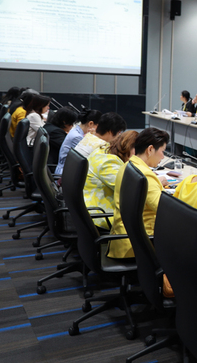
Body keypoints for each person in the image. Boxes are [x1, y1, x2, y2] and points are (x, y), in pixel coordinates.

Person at [108, 128, 171, 259]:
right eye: (162, 151)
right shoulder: (145, 175)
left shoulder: (127, 166)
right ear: (150, 149)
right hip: (140, 245)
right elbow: (165, 210)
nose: (163, 157)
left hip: (123, 240)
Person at [83, 130, 138, 229]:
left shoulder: (103, 152)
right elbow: (131, 189)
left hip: (90, 211)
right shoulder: (109, 162)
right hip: (101, 217)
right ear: (129, 147)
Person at [56, 109, 102, 174]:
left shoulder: (76, 131)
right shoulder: (77, 137)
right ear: (91, 123)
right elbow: (89, 157)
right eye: (98, 126)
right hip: (65, 173)